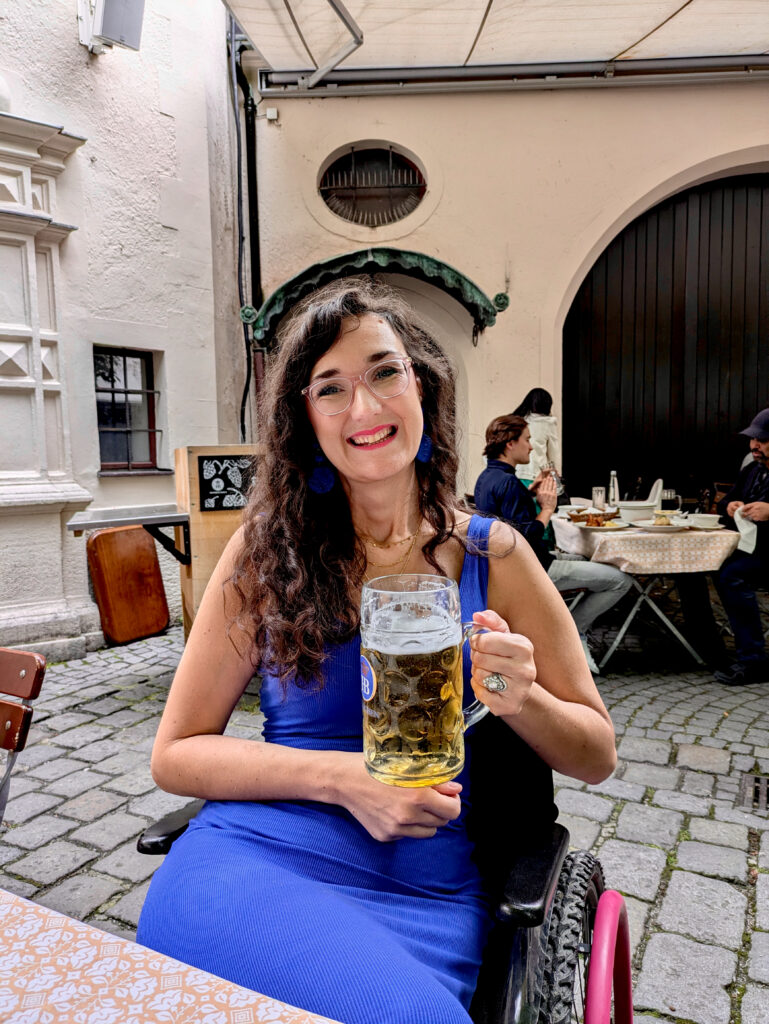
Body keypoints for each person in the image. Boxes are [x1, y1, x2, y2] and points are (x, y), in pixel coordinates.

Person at [136, 279, 617, 1024]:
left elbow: (594, 755)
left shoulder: (494, 553)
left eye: (384, 372)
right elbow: (175, 754)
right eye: (331, 388)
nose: (363, 408)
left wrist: (524, 701)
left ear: (421, 386)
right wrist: (347, 780)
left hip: (420, 882)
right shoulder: (263, 554)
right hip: (255, 854)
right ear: (307, 417)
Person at [473, 414, 632, 675]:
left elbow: (508, 521)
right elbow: (522, 539)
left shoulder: (487, 477)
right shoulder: (509, 483)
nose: (531, 446)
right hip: (534, 569)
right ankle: (575, 630)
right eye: (527, 439)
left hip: (511, 568)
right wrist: (547, 508)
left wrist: (531, 490)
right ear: (510, 444)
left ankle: (570, 629)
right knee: (621, 580)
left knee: (590, 561)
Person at [711, 409, 769, 685]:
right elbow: (725, 502)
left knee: (732, 576)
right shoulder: (753, 469)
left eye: (762, 440)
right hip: (752, 550)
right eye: (753, 439)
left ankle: (754, 661)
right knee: (711, 565)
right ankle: (708, 646)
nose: (754, 446)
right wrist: (730, 505)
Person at [512, 387, 560, 488]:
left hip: (515, 474)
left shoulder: (516, 421)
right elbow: (554, 455)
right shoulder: (548, 423)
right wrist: (556, 478)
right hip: (538, 476)